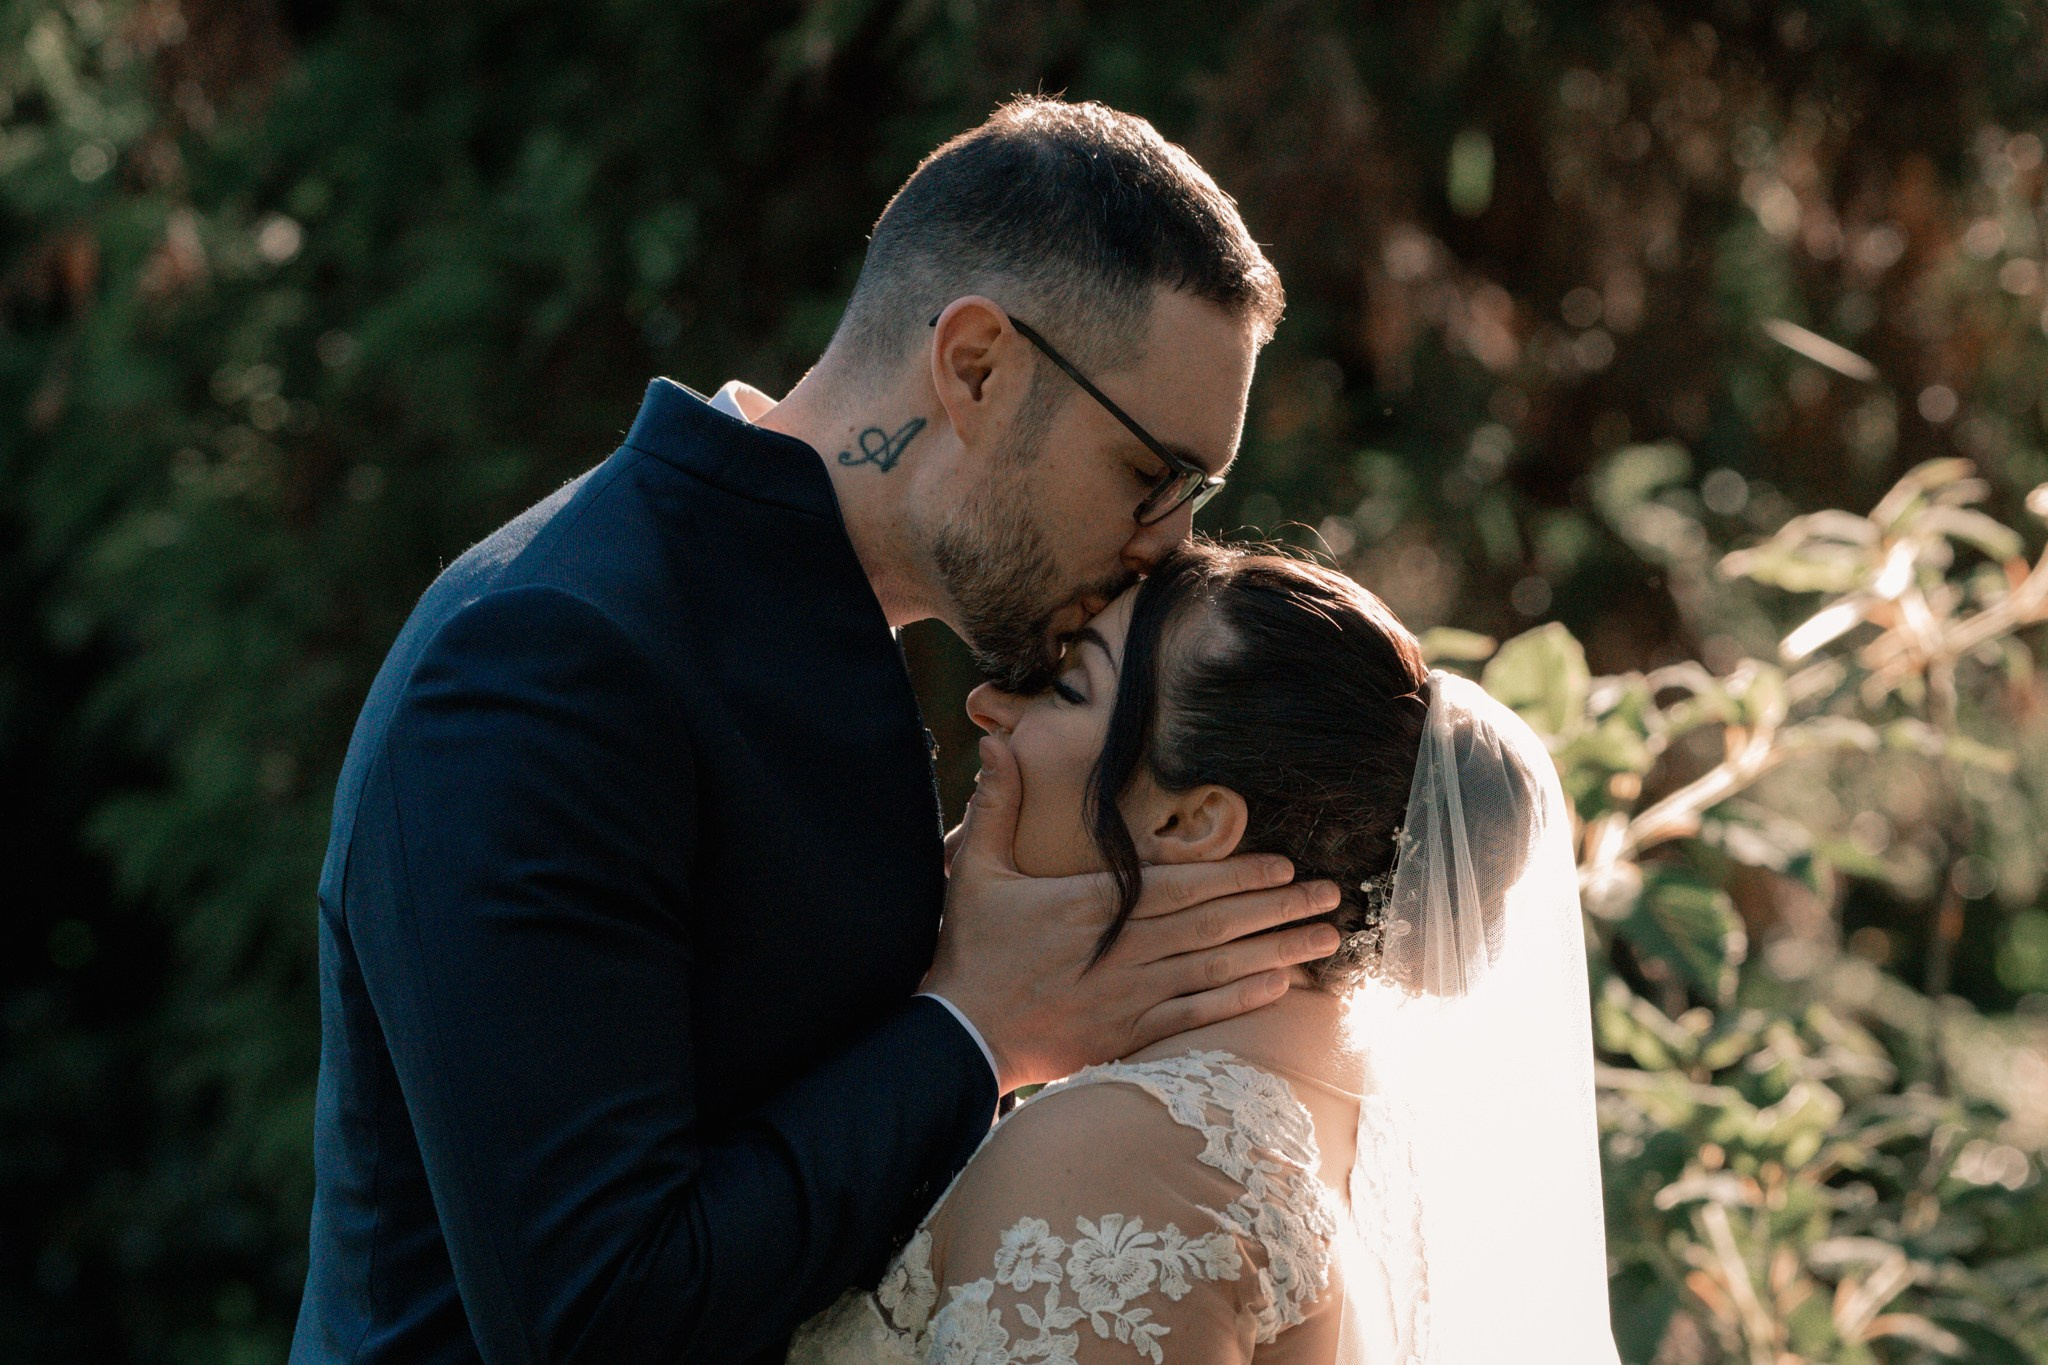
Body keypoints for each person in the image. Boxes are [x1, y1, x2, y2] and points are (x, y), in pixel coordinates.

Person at [289, 98, 1345, 1365]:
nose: (1165, 544)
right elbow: (593, 1314)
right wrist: (976, 1024)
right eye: (1149, 474)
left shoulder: (809, 625)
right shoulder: (551, 656)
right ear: (976, 367)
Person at [791, 541, 1622, 1364]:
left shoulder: (1111, 1157)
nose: (988, 705)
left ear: (1190, 822)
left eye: (1068, 688)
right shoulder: (1327, 1130)